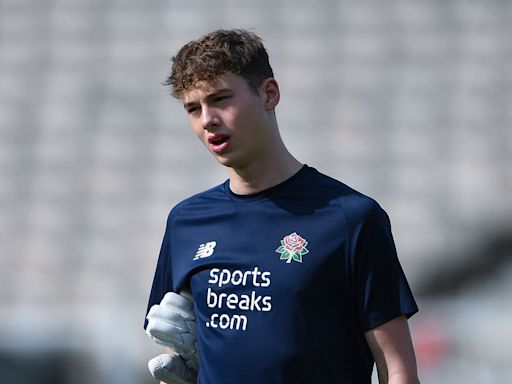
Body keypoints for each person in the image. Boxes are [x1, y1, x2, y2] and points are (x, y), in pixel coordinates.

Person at [144, 29, 419, 384]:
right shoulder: (185, 222)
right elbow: (175, 362)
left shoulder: (351, 218)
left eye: (221, 99)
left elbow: (396, 368)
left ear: (269, 94)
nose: (207, 119)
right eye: (193, 108)